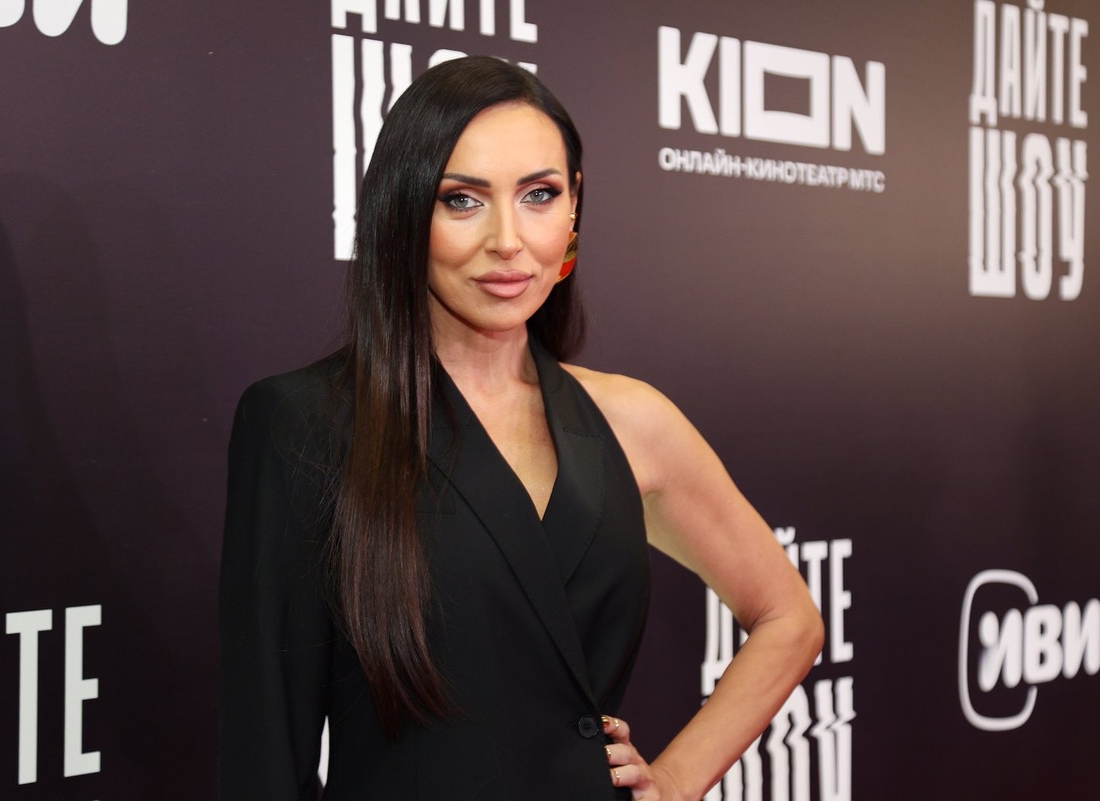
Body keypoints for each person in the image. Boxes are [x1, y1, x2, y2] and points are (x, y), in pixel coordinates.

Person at [219, 55, 823, 800]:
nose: (508, 240)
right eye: (462, 200)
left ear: (574, 209)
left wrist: (676, 777)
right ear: (403, 212)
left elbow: (788, 615)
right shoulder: (304, 423)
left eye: (539, 194)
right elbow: (264, 750)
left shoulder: (630, 420)